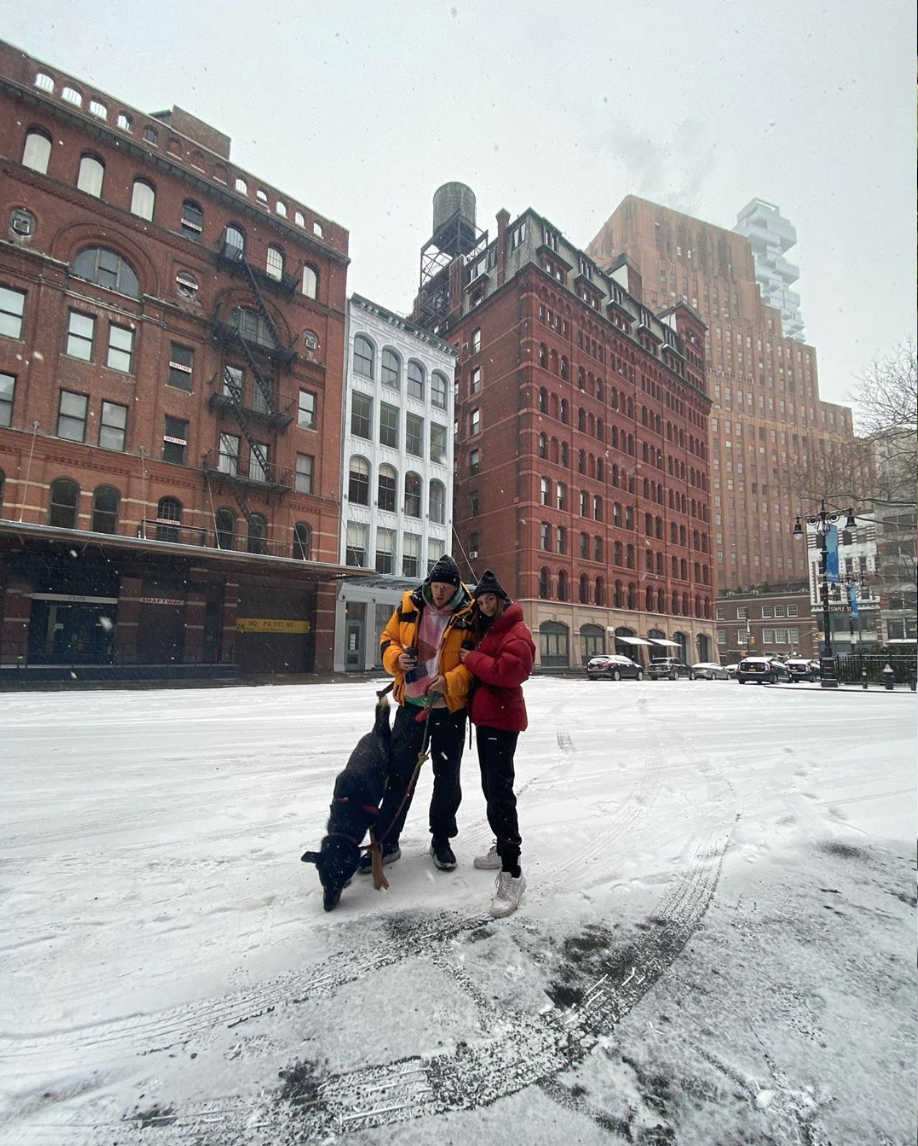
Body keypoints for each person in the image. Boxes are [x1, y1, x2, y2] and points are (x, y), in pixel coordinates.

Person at [360, 554, 474, 874]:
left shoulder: (469, 613)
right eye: (436, 586)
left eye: (445, 588)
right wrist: (397, 660)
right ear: (429, 584)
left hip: (449, 708)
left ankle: (441, 840)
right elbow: (388, 641)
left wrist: (450, 680)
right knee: (399, 775)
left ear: (455, 588)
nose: (439, 593)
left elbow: (474, 662)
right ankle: (388, 840)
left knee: (446, 778)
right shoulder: (409, 605)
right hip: (411, 705)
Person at [458, 569, 535, 918]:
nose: (486, 605)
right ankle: (501, 847)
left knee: (500, 792)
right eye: (482, 601)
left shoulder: (517, 631)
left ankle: (512, 869)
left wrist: (470, 659)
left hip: (502, 723)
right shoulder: (491, 628)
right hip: (489, 719)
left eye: (491, 599)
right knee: (493, 789)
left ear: (502, 599)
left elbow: (509, 672)